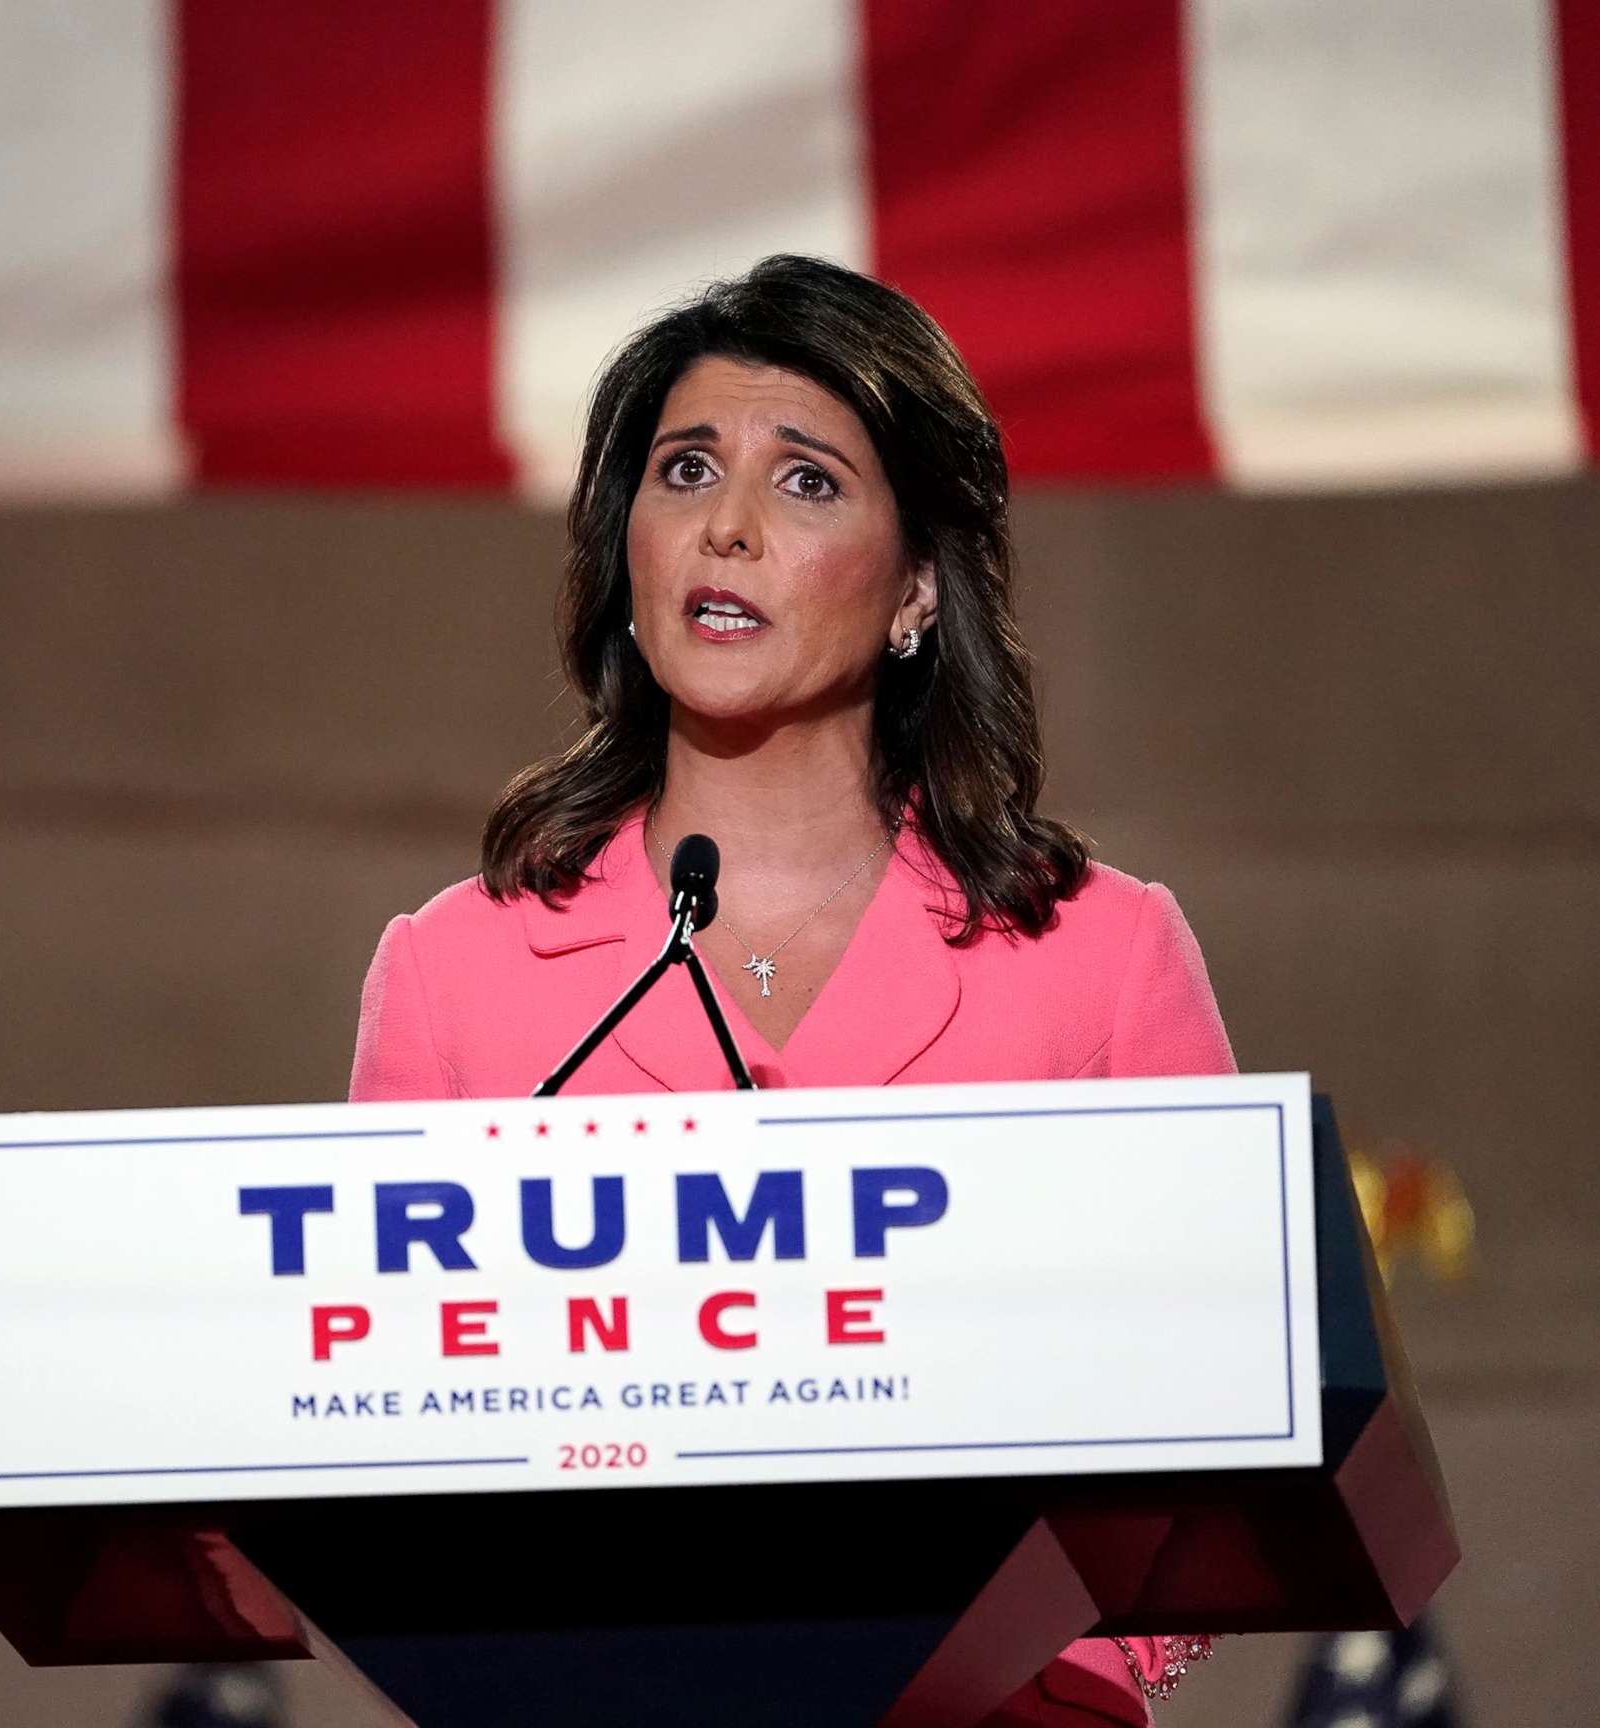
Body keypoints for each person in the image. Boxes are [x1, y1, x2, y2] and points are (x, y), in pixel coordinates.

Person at [349, 254, 1226, 1725]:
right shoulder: (455, 977)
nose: (731, 526)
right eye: (686, 471)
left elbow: (1220, 1442)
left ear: (917, 592)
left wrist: (1049, 1667)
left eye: (807, 483)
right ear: (627, 554)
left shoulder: (1100, 957)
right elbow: (388, 1458)